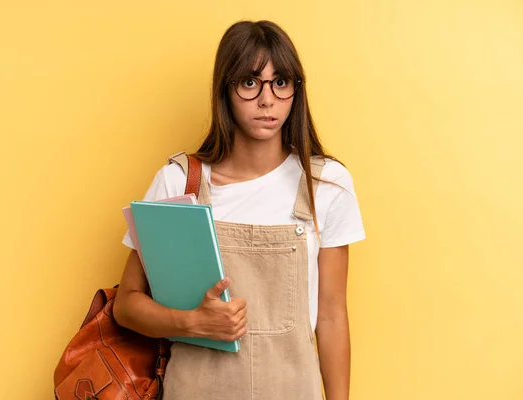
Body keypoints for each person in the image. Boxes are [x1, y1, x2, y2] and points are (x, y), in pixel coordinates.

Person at [113, 20, 365, 400]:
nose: (267, 100)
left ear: (296, 90)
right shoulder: (180, 182)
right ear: (225, 90)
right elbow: (127, 305)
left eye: (280, 82)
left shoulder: (326, 184)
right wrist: (193, 322)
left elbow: (331, 316)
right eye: (250, 83)